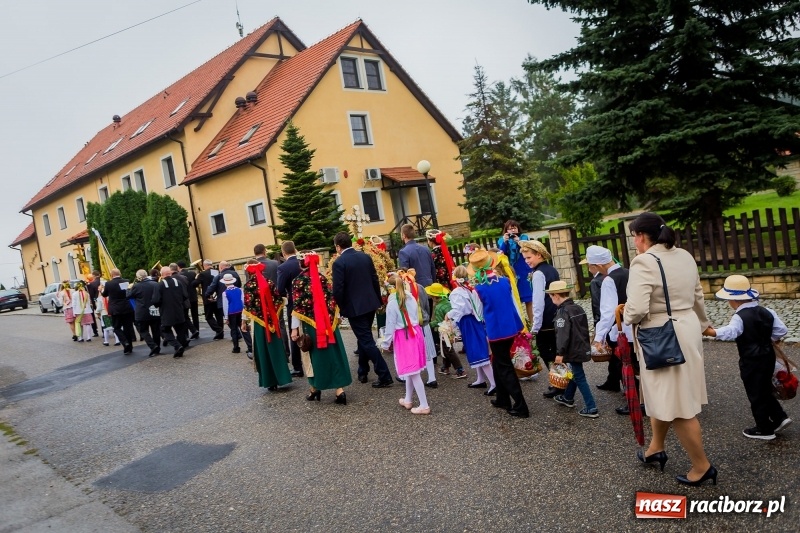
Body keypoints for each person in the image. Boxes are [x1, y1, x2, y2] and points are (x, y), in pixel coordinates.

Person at [623, 212, 716, 486]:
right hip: (686, 328)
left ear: (640, 236)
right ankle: (656, 448)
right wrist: (703, 324)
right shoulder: (685, 255)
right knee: (664, 395)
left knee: (679, 408)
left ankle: (702, 466)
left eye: (634, 238)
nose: (634, 244)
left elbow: (637, 309)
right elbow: (697, 294)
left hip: (661, 335)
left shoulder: (643, 262)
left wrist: (625, 315)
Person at [704, 275, 791, 440]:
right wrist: (768, 340)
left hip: (751, 359)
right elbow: (781, 331)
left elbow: (731, 331)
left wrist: (711, 332)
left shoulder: (739, 316)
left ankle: (764, 429)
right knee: (765, 387)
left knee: (755, 393)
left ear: (734, 300)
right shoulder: (767, 311)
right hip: (767, 355)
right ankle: (779, 417)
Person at [468, 250, 529, 418]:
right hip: (511, 327)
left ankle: (521, 405)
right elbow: (513, 303)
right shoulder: (504, 281)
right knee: (498, 362)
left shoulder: (478, 289)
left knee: (504, 366)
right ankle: (502, 398)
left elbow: (479, 314)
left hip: (496, 331)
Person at [331, 231, 394, 388]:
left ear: (338, 247)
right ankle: (363, 371)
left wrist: (340, 307)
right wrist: (377, 300)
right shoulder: (365, 257)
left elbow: (338, 289)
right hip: (369, 302)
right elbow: (374, 279)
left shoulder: (339, 263)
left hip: (354, 307)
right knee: (364, 337)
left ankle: (384, 374)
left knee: (366, 340)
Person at [289, 252, 350, 402]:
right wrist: (336, 318)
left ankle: (315, 388)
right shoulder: (323, 278)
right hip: (328, 324)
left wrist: (294, 328)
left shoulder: (298, 281)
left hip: (311, 326)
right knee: (333, 354)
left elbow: (298, 307)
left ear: (301, 264)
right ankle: (339, 390)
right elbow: (331, 301)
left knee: (313, 357)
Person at [584, 246, 635, 401]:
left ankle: (634, 400)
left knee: (626, 366)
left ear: (598, 265)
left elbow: (608, 312)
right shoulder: (629, 272)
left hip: (621, 330)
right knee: (637, 365)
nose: (590, 269)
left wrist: (599, 337)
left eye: (590, 266)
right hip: (637, 326)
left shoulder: (609, 280)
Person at [381, 272, 430, 414]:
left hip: (404, 336)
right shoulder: (411, 298)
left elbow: (390, 325)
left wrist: (385, 343)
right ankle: (408, 399)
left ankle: (424, 405)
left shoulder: (392, 304)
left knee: (413, 373)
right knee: (411, 370)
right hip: (415, 333)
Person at [519, 239, 562, 398]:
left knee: (546, 351)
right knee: (556, 350)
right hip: (556, 314)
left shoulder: (538, 274)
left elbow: (537, 301)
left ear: (539, 254)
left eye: (529, 257)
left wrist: (535, 327)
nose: (527, 261)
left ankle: (557, 382)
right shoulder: (551, 269)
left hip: (545, 318)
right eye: (525, 259)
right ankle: (559, 380)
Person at [549, 281, 598, 418]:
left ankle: (591, 407)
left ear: (557, 295)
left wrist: (560, 353)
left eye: (551, 296)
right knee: (574, 373)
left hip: (572, 349)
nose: (551, 299)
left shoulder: (562, 312)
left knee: (579, 377)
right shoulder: (577, 308)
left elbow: (562, 335)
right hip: (581, 346)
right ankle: (568, 397)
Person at [243, 260, 292, 391]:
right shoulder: (269, 283)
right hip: (273, 321)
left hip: (259, 324)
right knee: (275, 348)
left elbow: (248, 306)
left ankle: (270, 381)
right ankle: (282, 377)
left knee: (263, 349)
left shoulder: (249, 286)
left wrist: (244, 321)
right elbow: (278, 300)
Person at [447, 265, 495, 392]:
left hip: (468, 322)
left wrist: (449, 314)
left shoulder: (457, 292)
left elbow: (461, 309)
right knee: (475, 349)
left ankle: (494, 383)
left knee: (478, 351)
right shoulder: (470, 289)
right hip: (475, 321)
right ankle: (480, 379)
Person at [426, 283, 466, 378]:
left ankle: (460, 369)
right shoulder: (447, 302)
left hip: (444, 331)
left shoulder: (438, 307)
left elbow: (439, 321)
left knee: (448, 349)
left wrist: (429, 325)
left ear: (434, 297)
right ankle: (445, 367)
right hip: (451, 329)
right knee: (446, 349)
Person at [497, 220, 533, 324]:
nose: (512, 230)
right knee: (515, 300)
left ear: (518, 228)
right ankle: (521, 325)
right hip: (511, 272)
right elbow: (501, 253)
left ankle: (533, 324)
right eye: (510, 228)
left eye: (514, 228)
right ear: (506, 230)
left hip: (524, 271)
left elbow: (527, 249)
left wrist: (518, 241)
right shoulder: (502, 240)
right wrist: (505, 242)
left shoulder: (524, 238)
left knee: (529, 300)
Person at [277, 241, 304, 377]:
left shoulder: (283, 267)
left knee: (294, 333)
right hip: (309, 302)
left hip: (293, 303)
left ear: (283, 253)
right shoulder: (303, 262)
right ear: (295, 250)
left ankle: (298, 367)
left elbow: (280, 289)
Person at [153, 266, 189, 358]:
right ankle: (180, 347)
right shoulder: (178, 282)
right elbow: (185, 296)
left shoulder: (160, 285)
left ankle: (177, 346)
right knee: (180, 330)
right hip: (179, 310)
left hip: (166, 312)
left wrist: (159, 305)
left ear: (162, 274)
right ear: (170, 273)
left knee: (165, 330)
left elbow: (156, 300)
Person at [126, 269, 162, 357]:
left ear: (138, 277)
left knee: (143, 330)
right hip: (154, 310)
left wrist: (128, 288)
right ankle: (157, 347)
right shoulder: (155, 284)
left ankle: (153, 345)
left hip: (142, 312)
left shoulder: (137, 286)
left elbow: (128, 296)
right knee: (156, 330)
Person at [102, 269, 136, 354]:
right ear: (120, 274)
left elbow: (105, 294)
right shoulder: (126, 281)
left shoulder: (108, 283)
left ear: (111, 275)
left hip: (115, 308)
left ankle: (125, 342)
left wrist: (100, 290)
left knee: (116, 327)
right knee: (127, 327)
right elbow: (127, 293)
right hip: (126, 307)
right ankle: (129, 347)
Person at [220, 273, 252, 354]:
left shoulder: (225, 293)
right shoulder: (240, 290)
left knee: (234, 330)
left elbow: (225, 306)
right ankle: (250, 346)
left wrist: (226, 317)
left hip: (231, 312)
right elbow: (243, 301)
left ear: (225, 283)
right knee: (244, 329)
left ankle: (236, 347)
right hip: (240, 311)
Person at [193, 260, 224, 340]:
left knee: (208, 316)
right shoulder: (217, 272)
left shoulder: (203, 274)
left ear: (204, 265)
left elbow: (195, 284)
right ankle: (221, 333)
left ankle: (218, 330)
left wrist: (196, 277)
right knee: (219, 315)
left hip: (208, 297)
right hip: (217, 296)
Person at [397, 224, 436, 288]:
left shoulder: (403, 252)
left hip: (416, 288)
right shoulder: (426, 249)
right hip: (430, 285)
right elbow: (433, 269)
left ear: (404, 235)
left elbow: (404, 274)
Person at [176, 261, 200, 338]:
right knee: (195, 315)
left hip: (185, 299)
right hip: (193, 297)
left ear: (178, 267)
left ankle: (186, 334)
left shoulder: (179, 275)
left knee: (185, 316)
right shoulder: (192, 273)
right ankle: (197, 331)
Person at [87, 271, 101, 337]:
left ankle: (95, 331)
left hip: (94, 302)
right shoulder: (103, 281)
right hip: (103, 301)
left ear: (93, 276)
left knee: (92, 317)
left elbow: (91, 295)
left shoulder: (91, 284)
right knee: (103, 315)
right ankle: (105, 329)